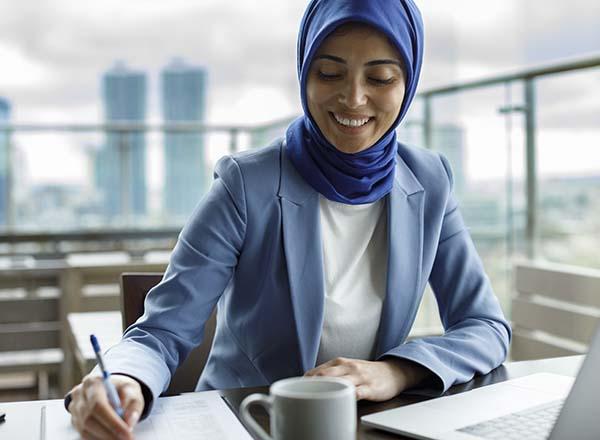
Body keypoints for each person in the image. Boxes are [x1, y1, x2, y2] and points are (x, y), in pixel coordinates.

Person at [66, 1, 511, 438]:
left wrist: (397, 371)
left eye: (380, 77)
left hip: (359, 426)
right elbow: (161, 331)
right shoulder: (246, 183)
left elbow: (486, 326)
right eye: (330, 73)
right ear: (304, 74)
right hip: (245, 423)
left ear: (408, 82)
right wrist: (125, 377)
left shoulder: (429, 181)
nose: (354, 97)